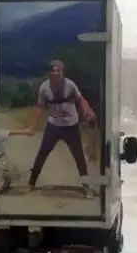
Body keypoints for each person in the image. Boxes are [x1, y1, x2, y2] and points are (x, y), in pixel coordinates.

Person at [26, 59, 97, 196]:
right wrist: (32, 125)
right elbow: (40, 106)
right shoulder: (44, 88)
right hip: (53, 125)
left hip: (71, 126)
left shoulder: (70, 85)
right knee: (42, 154)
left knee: (79, 157)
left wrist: (87, 111)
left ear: (62, 72)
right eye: (54, 71)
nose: (57, 74)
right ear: (50, 73)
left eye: (59, 71)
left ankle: (86, 186)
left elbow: (81, 100)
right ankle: (31, 183)